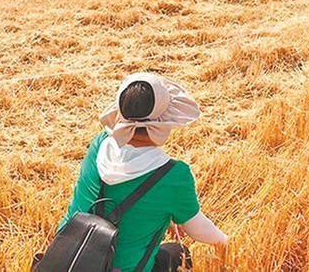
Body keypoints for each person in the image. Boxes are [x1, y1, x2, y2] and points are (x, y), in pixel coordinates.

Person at [58, 72, 228, 271]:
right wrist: (225, 241)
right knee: (178, 254)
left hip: (68, 260)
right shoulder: (173, 176)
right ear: (164, 120)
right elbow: (198, 230)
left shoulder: (100, 144)